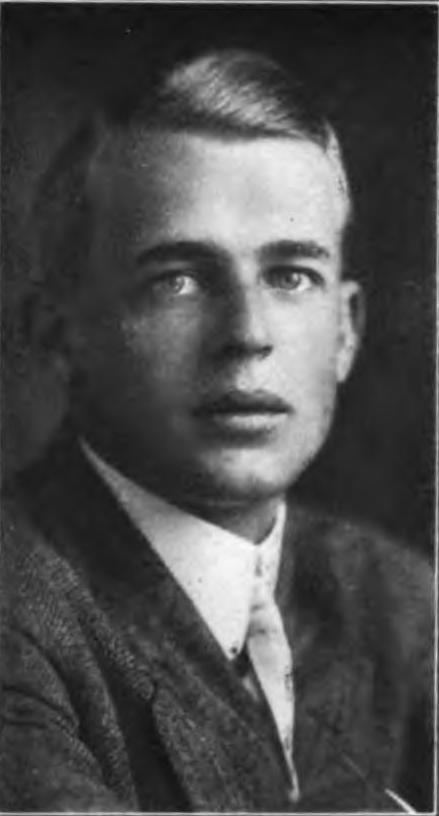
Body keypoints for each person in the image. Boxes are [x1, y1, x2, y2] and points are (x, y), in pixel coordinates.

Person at [0, 49, 433, 812]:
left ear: (345, 330)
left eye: (290, 275)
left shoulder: (400, 600)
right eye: (178, 279)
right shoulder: (18, 609)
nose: (247, 334)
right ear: (60, 333)